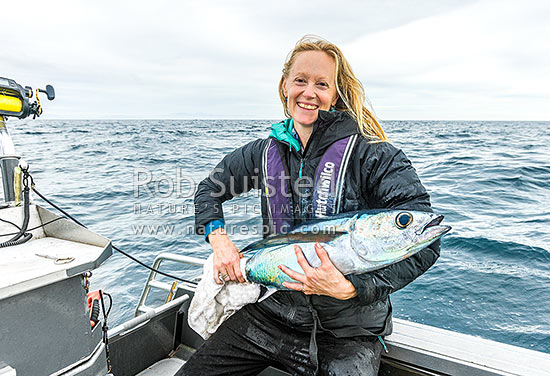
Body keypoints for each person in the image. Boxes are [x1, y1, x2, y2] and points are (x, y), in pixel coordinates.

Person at [176, 35, 440, 376]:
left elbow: (425, 243)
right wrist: (220, 240)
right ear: (285, 85)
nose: (309, 92)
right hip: (272, 313)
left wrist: (350, 288)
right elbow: (209, 190)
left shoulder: (375, 155)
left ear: (335, 92)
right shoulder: (263, 152)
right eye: (300, 80)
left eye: (321, 84)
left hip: (348, 332)